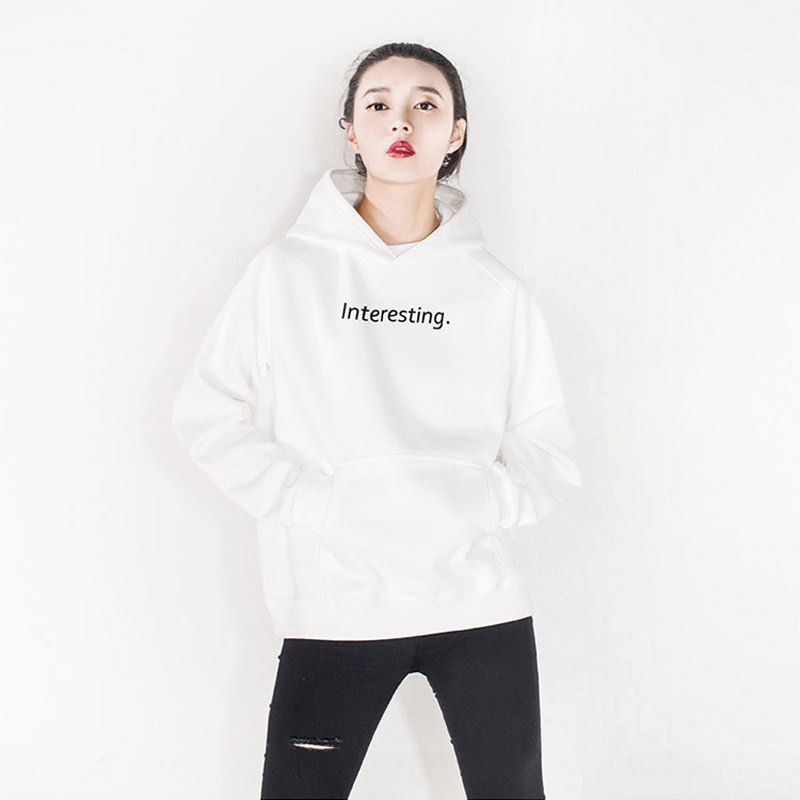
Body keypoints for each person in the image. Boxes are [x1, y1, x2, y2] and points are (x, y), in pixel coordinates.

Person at [172, 41, 582, 800]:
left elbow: (548, 450)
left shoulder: (496, 291)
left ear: (455, 132)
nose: (402, 121)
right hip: (336, 607)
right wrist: (316, 502)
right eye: (379, 104)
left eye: (426, 104)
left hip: (481, 607)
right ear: (351, 131)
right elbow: (207, 414)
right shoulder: (287, 273)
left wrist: (478, 503)